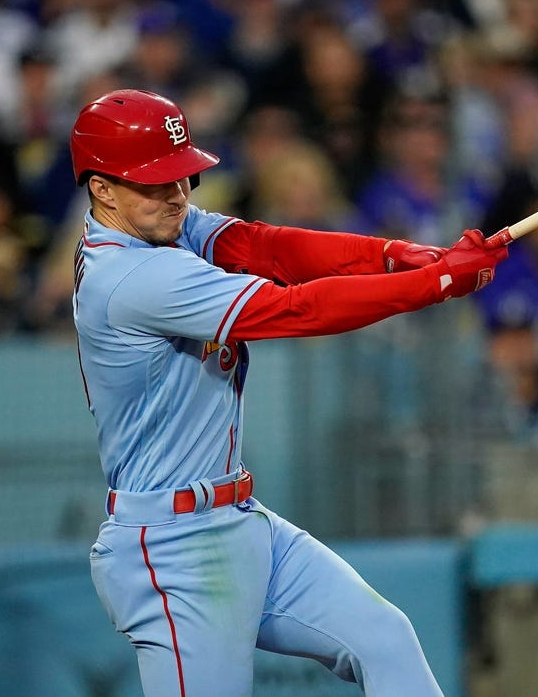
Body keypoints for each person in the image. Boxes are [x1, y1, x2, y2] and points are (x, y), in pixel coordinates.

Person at [69, 89, 508, 696]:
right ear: (102, 189)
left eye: (183, 177)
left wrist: (393, 255)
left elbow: (267, 248)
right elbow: (296, 309)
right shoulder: (133, 276)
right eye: (155, 182)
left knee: (384, 638)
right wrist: (434, 282)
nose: (177, 195)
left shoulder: (160, 228)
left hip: (239, 520)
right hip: (172, 551)